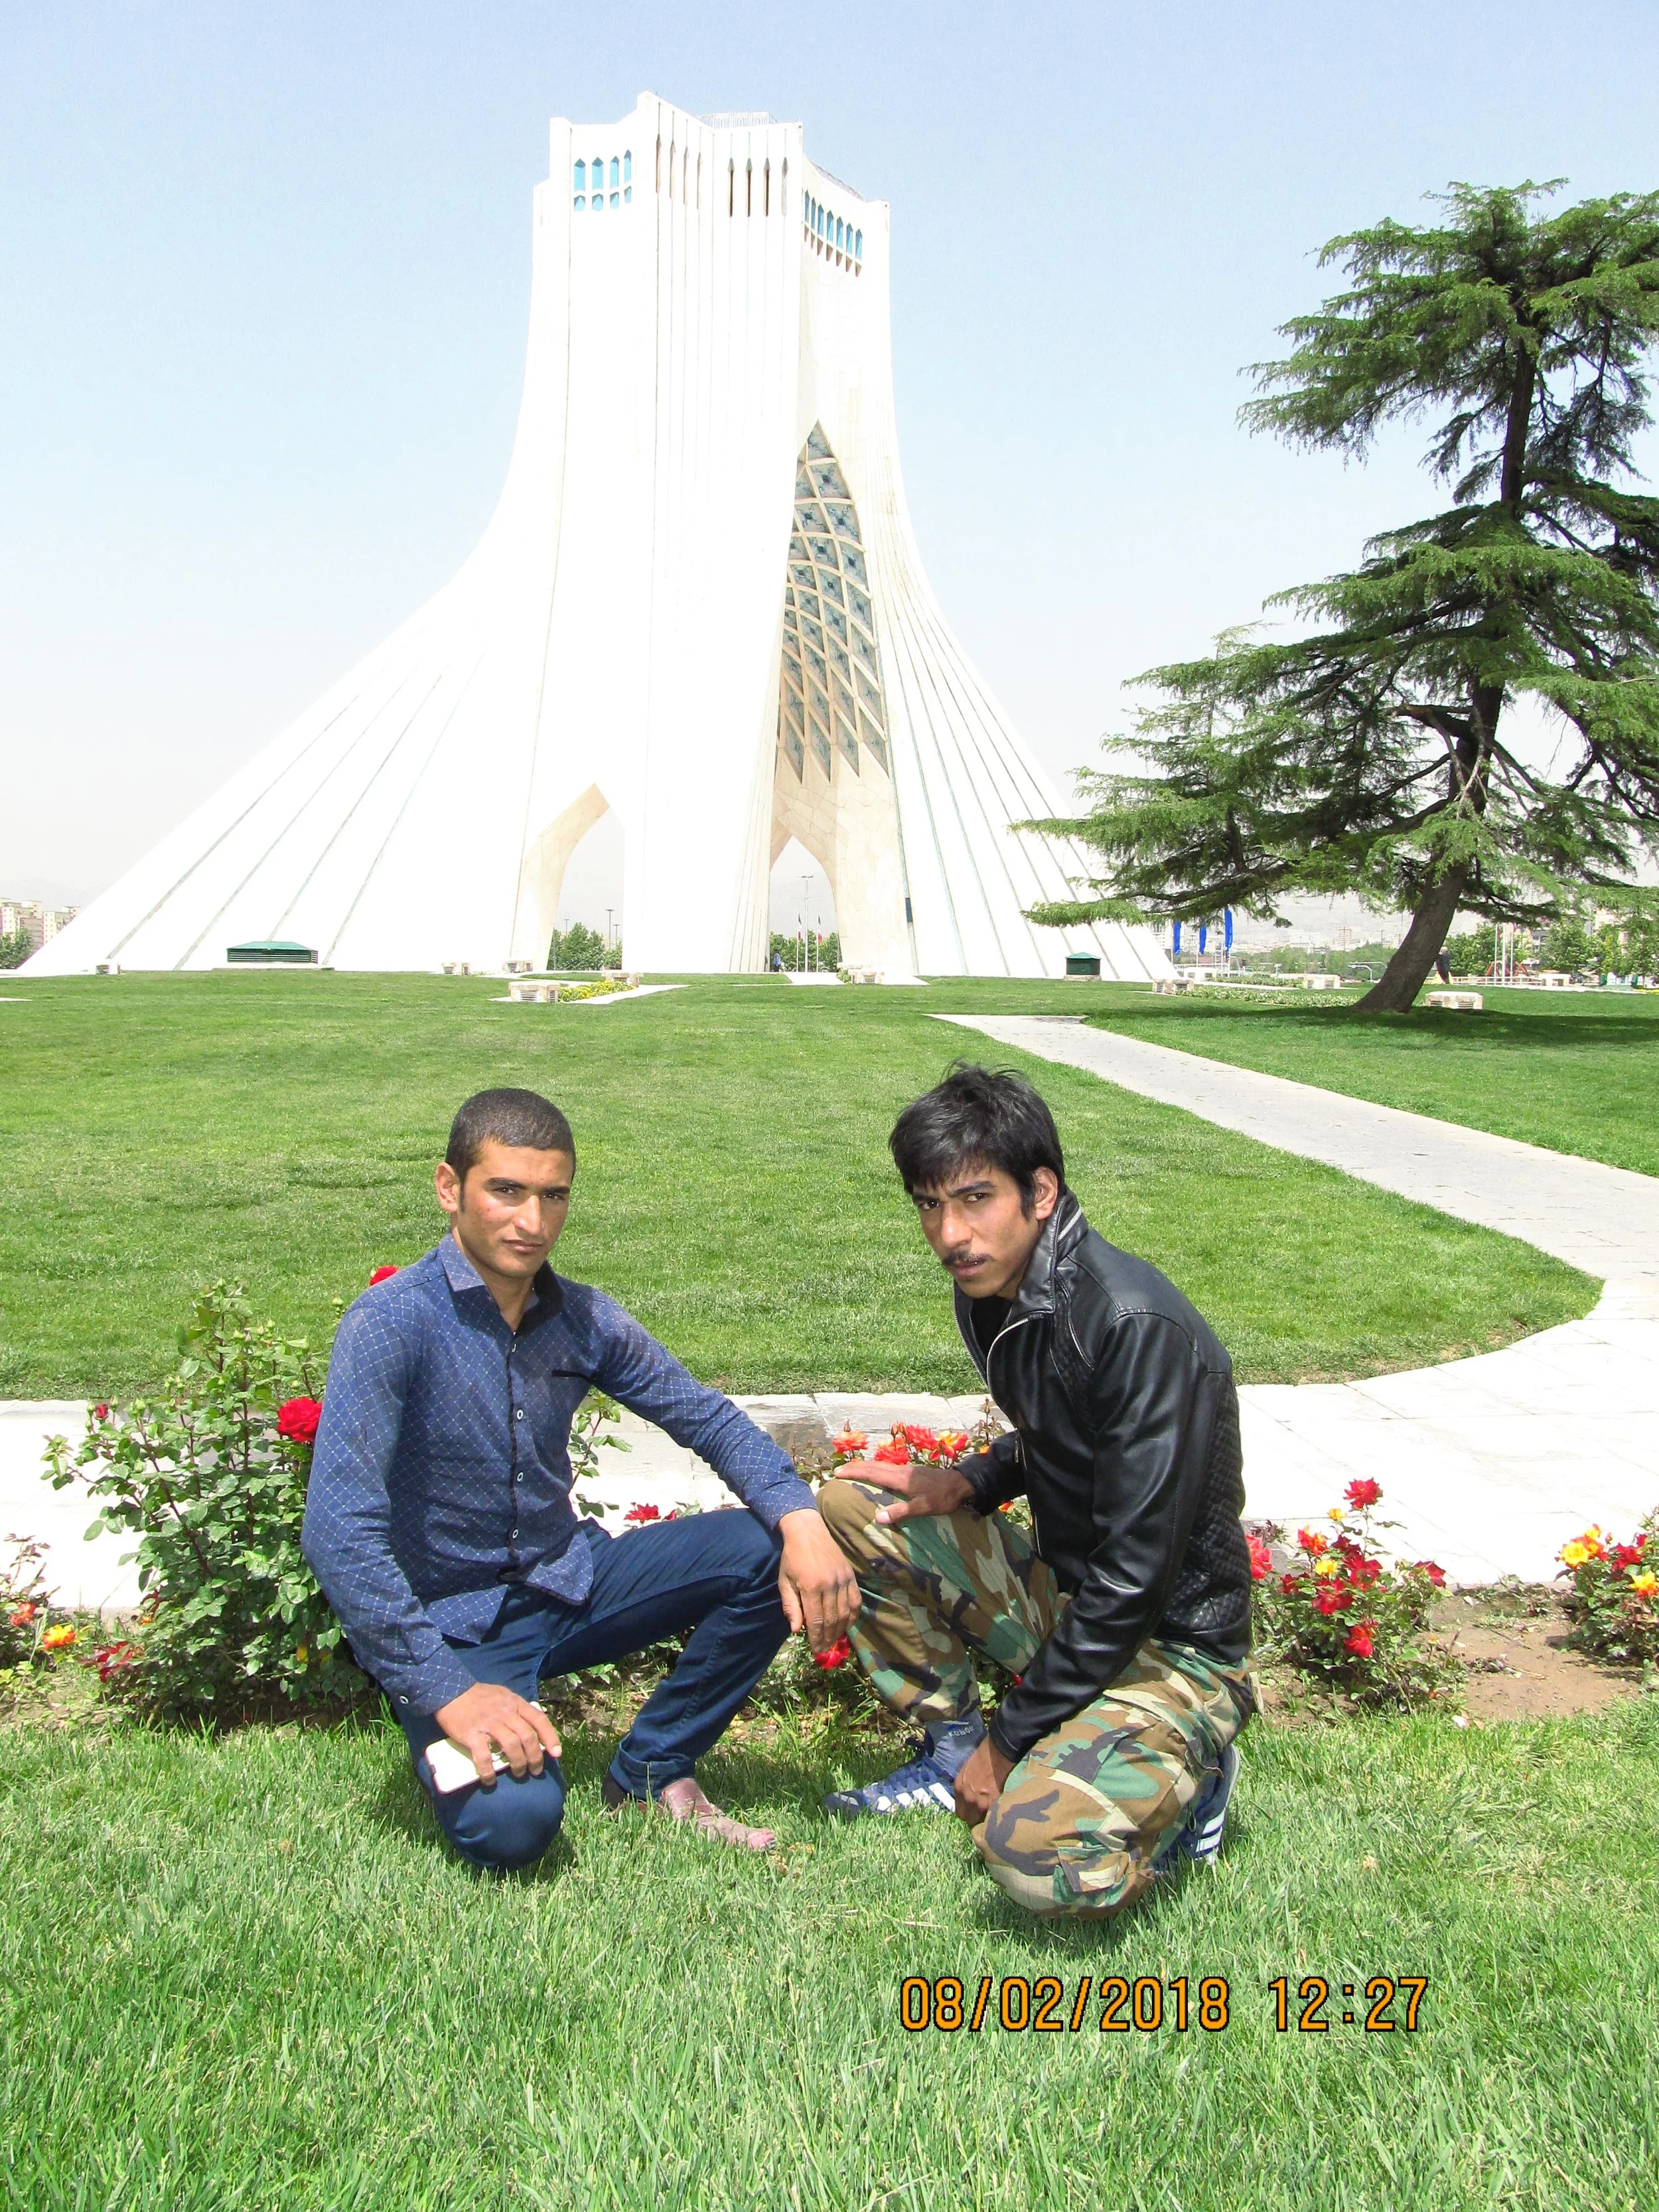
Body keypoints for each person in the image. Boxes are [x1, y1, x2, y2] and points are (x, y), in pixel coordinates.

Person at [302, 1086, 858, 1873]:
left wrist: (801, 1520)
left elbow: (704, 1416)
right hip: (455, 1627)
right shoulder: (392, 1323)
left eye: (552, 1196)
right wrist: (448, 1691)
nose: (531, 1222)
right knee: (514, 1829)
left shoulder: (581, 1317)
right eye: (505, 1191)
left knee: (763, 1550)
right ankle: (467, 1723)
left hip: (566, 1581)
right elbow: (338, 1534)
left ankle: (652, 1772)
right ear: (447, 1187)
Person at [817, 1065, 1255, 1919]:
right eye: (928, 1205)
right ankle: (948, 1752)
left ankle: (1191, 1765)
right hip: (1073, 1606)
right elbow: (1063, 1428)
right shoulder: (992, 1291)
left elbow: (1137, 1576)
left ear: (1041, 1191)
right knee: (853, 1510)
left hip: (1171, 1647)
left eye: (975, 1199)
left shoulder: (1134, 1328)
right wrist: (973, 1478)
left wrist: (1009, 1742)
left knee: (1028, 1857)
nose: (950, 1233)